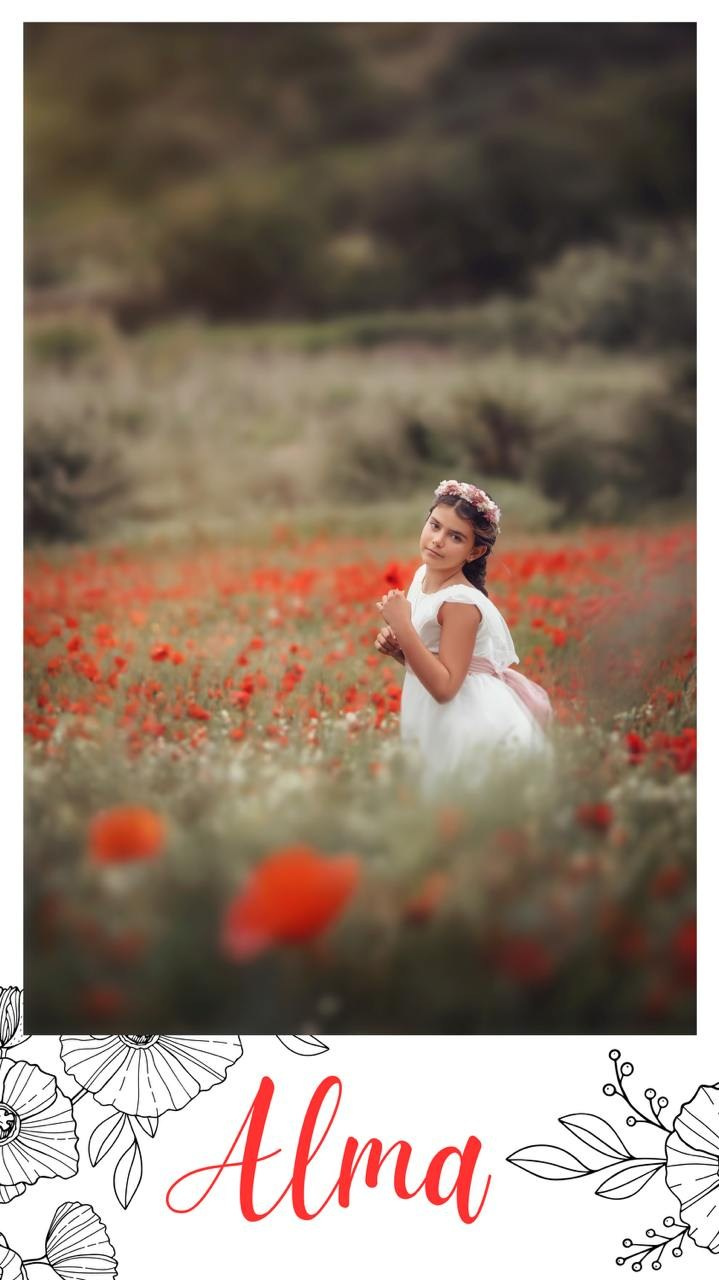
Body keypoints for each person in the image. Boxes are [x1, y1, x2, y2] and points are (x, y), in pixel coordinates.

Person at [374, 479, 554, 798]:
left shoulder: (460, 602)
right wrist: (399, 651)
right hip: (431, 707)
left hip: (468, 717)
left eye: (455, 537)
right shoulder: (422, 576)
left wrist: (403, 626)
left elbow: (445, 688)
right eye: (435, 525)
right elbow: (432, 661)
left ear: (475, 551)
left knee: (460, 799)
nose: (438, 540)